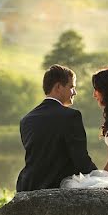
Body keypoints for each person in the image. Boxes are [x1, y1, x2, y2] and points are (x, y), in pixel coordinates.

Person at [17, 64, 98, 192]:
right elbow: (81, 160)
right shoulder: (71, 116)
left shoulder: (26, 120)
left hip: (28, 185)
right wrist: (100, 178)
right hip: (58, 185)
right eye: (71, 87)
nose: (75, 92)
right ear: (58, 87)